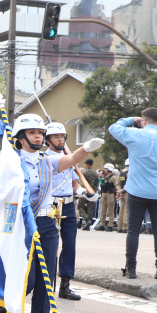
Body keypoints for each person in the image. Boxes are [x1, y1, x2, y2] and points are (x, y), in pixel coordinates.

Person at [0, 113, 103, 313]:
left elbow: (71, 159)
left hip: (46, 223)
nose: (38, 136)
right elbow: (4, 195)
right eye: (32, 133)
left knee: (46, 280)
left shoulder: (47, 160)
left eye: (40, 132)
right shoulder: (11, 161)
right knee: (25, 279)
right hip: (20, 224)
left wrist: (86, 148)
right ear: (20, 138)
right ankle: (1, 302)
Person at [109, 107, 157, 279]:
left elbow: (113, 127)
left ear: (143, 121)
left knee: (133, 230)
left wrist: (132, 119)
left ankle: (131, 268)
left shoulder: (133, 134)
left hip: (136, 191)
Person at [44, 121, 96, 301]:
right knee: (49, 247)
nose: (60, 140)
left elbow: (74, 185)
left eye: (62, 136)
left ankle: (65, 286)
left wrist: (83, 192)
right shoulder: (44, 158)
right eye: (56, 136)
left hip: (67, 204)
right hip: (50, 205)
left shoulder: (71, 160)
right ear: (47, 139)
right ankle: (46, 286)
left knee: (70, 246)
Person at [97, 164, 118, 231]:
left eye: (106, 168)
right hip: (104, 193)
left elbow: (116, 186)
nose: (105, 170)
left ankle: (110, 225)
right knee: (103, 210)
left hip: (110, 194)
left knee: (110, 210)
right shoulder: (105, 176)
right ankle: (102, 224)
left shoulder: (114, 177)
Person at [77, 158, 98, 229]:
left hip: (85, 192)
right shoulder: (95, 173)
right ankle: (88, 223)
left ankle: (87, 219)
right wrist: (94, 191)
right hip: (92, 192)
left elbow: (81, 182)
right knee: (90, 209)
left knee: (80, 206)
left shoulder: (84, 172)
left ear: (87, 164)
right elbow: (97, 184)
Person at [116, 159, 130, 233]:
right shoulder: (130, 172)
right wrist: (123, 191)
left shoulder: (121, 173)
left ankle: (119, 226)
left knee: (121, 210)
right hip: (127, 192)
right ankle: (125, 227)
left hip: (122, 192)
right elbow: (129, 183)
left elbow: (117, 183)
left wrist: (120, 191)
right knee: (126, 210)